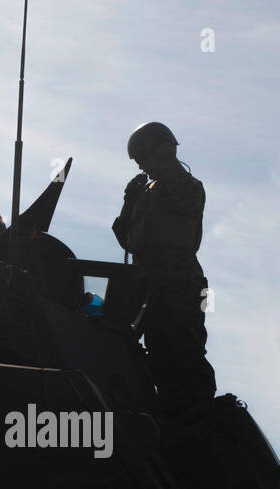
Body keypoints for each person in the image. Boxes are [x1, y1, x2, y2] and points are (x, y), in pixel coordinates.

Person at [112, 122, 217, 417]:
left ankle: (200, 417)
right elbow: (127, 238)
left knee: (186, 351)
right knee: (158, 352)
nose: (143, 167)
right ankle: (172, 413)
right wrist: (129, 201)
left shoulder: (188, 186)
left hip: (182, 280)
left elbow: (183, 201)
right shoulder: (146, 193)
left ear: (165, 152)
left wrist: (167, 167)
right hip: (149, 280)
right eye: (139, 162)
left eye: (146, 159)